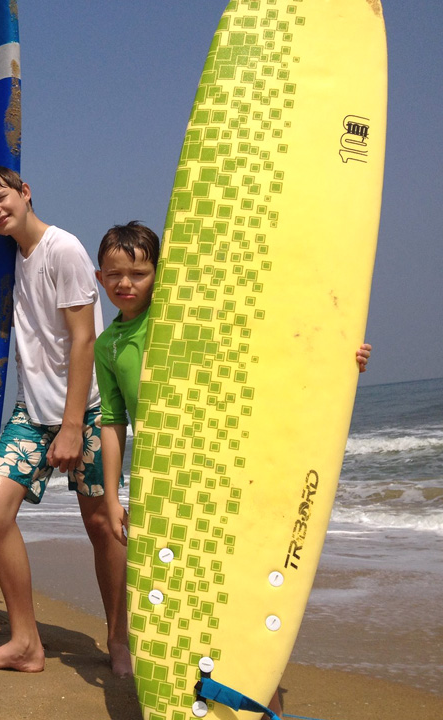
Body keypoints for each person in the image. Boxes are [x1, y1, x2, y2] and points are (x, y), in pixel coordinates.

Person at [93, 222, 374, 695]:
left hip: (219, 463)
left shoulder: (182, 316)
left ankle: (252, 678)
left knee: (232, 573)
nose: (126, 284)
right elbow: (113, 422)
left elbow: (266, 347)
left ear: (161, 274)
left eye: (138, 273)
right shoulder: (109, 345)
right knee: (176, 578)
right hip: (162, 477)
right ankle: (191, 679)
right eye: (115, 274)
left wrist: (338, 354)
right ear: (100, 279)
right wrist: (111, 495)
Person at [0, 166, 115, 674]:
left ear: (26, 193)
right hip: (33, 412)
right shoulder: (14, 255)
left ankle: (121, 642)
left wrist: (73, 425)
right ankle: (26, 643)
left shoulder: (63, 248)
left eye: (2, 199)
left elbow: (84, 339)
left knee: (100, 524)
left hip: (84, 410)